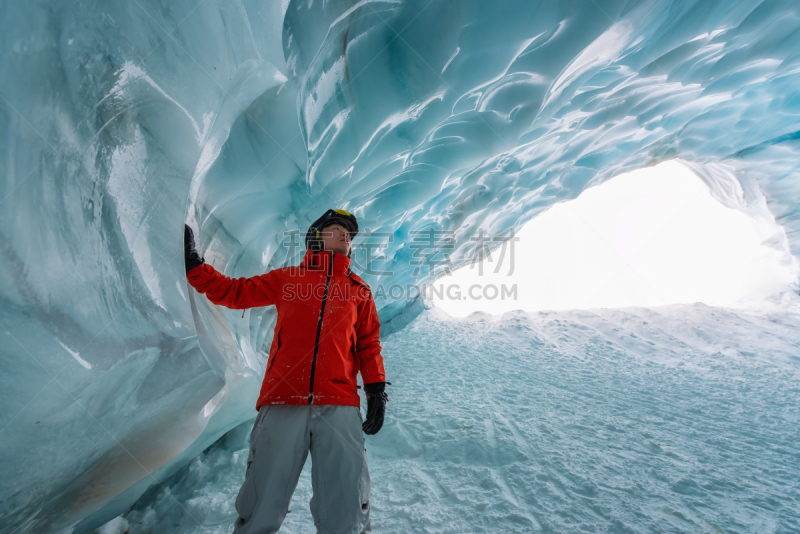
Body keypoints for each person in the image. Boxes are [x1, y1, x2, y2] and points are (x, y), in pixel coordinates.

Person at [183, 209, 389, 534]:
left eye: (349, 235)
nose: (346, 236)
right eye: (337, 229)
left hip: (340, 405)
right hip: (283, 400)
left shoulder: (359, 291)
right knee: (261, 501)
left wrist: (376, 389)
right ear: (317, 237)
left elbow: (368, 345)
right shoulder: (288, 279)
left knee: (346, 504)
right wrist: (196, 269)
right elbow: (235, 292)